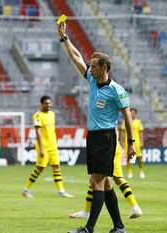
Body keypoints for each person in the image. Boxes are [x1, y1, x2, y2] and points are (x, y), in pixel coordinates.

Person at [58, 21, 136, 233]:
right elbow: (76, 57)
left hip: (106, 138)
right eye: (90, 66)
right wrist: (65, 39)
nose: (89, 69)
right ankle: (119, 227)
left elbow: (127, 116)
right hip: (92, 137)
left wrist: (130, 143)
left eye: (93, 66)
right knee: (107, 183)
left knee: (96, 181)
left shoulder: (116, 90)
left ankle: (89, 228)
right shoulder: (92, 81)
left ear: (104, 68)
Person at [69, 137, 143, 219]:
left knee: (96, 178)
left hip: (106, 146)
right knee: (111, 178)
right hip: (114, 145)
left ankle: (87, 212)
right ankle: (135, 207)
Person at [22, 96, 73, 198]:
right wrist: (40, 148)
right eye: (46, 103)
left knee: (56, 167)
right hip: (43, 146)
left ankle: (61, 191)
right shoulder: (37, 115)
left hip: (53, 145)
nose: (49, 105)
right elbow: (38, 133)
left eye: (50, 103)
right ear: (41, 104)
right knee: (40, 168)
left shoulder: (52, 114)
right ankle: (26, 190)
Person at [121, 108, 145, 179]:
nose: (132, 114)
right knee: (129, 158)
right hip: (128, 142)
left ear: (135, 113)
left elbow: (141, 133)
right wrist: (122, 141)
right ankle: (129, 172)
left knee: (139, 158)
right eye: (130, 112)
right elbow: (122, 132)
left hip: (137, 142)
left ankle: (141, 171)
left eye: (133, 112)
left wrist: (142, 142)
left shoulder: (139, 122)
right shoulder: (125, 121)